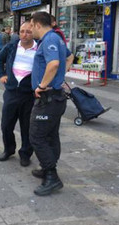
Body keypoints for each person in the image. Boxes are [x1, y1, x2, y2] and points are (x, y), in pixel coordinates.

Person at [29, 12, 74, 196]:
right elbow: (69, 58)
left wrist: (42, 85)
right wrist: (63, 73)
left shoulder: (49, 39)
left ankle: (52, 176)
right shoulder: (56, 38)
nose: (30, 30)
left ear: (38, 25)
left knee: (36, 136)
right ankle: (48, 168)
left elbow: (54, 64)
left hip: (48, 98)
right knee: (51, 135)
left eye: (31, 26)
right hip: (55, 98)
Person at [0, 21, 37, 165]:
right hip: (12, 92)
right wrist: (1, 74)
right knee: (6, 125)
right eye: (22, 31)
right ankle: (9, 149)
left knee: (27, 127)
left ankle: (25, 154)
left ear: (34, 33)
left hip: (29, 94)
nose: (24, 34)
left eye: (28, 31)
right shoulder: (12, 46)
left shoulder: (39, 48)